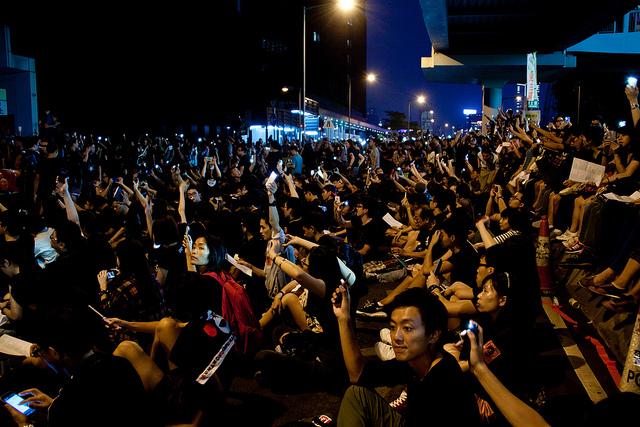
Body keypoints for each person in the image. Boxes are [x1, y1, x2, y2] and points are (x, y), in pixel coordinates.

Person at [332, 286, 481, 426]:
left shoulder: (444, 385)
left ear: (433, 335)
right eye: (392, 327)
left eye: (407, 328)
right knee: (357, 395)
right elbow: (358, 374)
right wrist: (344, 318)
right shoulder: (415, 359)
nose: (396, 336)